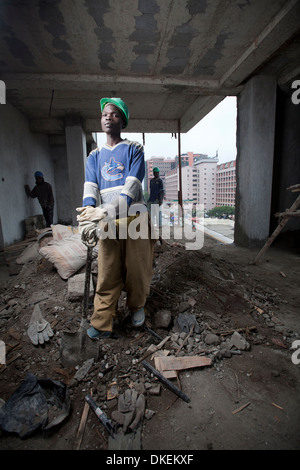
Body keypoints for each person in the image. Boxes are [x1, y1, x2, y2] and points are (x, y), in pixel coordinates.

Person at [76, 97, 154, 340]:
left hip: (134, 219)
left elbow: (131, 186)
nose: (108, 117)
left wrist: (105, 212)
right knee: (108, 270)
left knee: (137, 267)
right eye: (104, 115)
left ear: (123, 120)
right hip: (108, 223)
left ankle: (136, 306)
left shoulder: (134, 149)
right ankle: (102, 320)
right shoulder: (94, 156)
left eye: (114, 114)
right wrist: (89, 219)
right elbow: (90, 189)